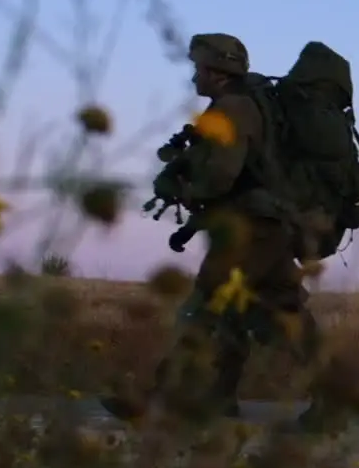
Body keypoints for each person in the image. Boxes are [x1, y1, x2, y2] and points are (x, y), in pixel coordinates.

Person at [101, 33, 324, 425]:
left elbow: (222, 175)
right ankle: (223, 398)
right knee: (276, 312)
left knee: (204, 309)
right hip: (267, 228)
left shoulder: (233, 110)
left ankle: (159, 399)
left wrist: (185, 189)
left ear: (217, 72)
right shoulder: (248, 106)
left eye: (198, 69)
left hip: (250, 230)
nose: (194, 78)